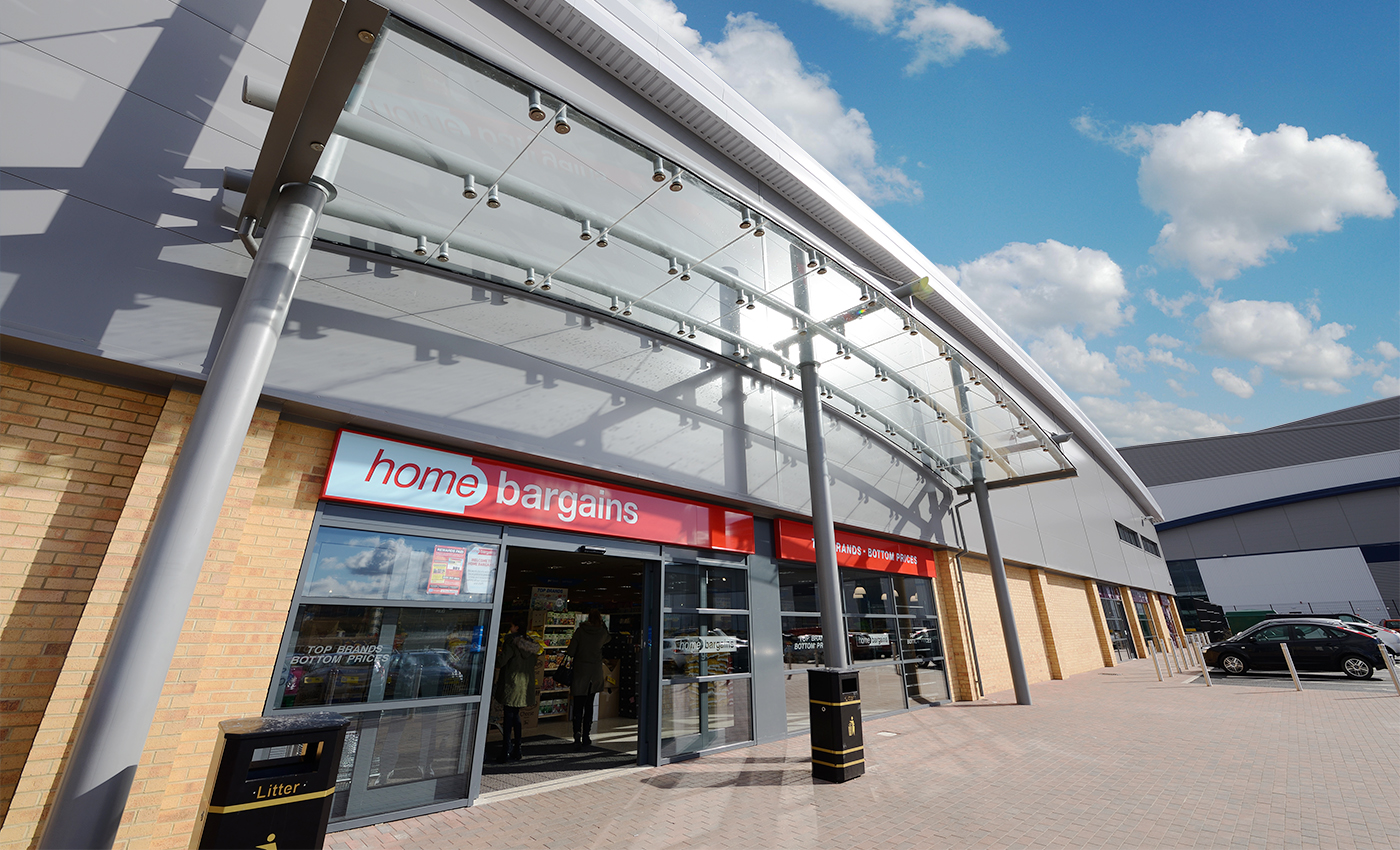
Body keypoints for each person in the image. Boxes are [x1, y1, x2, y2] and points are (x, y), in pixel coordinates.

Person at [494, 620, 540, 763]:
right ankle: (518, 748)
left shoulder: (511, 642)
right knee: (516, 715)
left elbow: (501, 661)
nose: (510, 628)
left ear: (516, 627)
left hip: (511, 683)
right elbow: (533, 663)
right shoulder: (531, 645)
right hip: (523, 685)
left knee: (508, 716)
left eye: (512, 626)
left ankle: (506, 749)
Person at [565, 609, 611, 749]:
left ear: (588, 619)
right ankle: (586, 735)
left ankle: (576, 732)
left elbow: (571, 651)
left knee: (578, 705)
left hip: (580, 672)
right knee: (589, 705)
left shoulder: (580, 631)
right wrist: (603, 625)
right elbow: (609, 638)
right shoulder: (602, 633)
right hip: (594, 673)